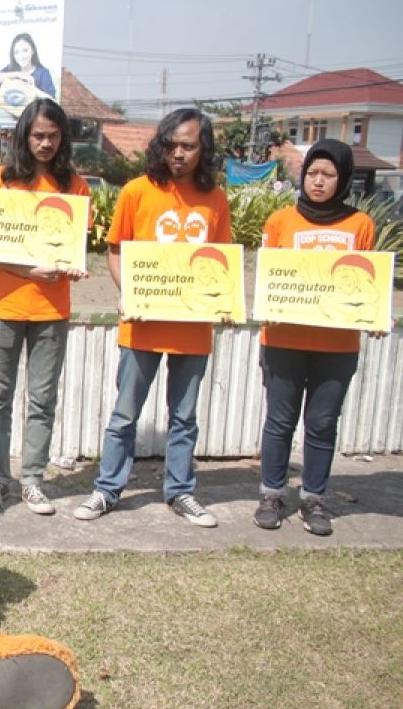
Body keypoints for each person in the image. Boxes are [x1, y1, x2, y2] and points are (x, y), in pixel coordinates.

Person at [75, 107, 231, 527]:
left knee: (184, 418)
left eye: (188, 146)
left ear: (204, 149)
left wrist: (227, 302)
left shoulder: (216, 199)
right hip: (141, 325)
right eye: (171, 144)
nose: (178, 154)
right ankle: (107, 490)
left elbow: (222, 262)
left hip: (193, 331)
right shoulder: (136, 191)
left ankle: (180, 492)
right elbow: (115, 250)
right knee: (124, 416)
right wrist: (127, 292)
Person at [254, 139, 380, 536]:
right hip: (283, 339)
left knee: (323, 424)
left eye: (328, 174)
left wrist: (372, 313)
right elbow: (268, 277)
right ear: (302, 175)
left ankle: (313, 499)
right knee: (279, 421)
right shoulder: (280, 221)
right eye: (312, 173)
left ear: (343, 178)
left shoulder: (360, 225)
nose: (319, 182)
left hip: (337, 346)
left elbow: (367, 282)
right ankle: (271, 494)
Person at [0, 99, 89, 516]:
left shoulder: (75, 187)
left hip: (51, 311)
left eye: (53, 136)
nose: (45, 143)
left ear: (63, 138)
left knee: (42, 399)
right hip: (2, 307)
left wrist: (72, 268)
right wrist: (28, 270)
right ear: (24, 135)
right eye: (38, 135)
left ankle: (33, 480)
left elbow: (74, 248)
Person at [0, 33, 56, 97]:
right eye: (16, 52)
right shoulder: (10, 69)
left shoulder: (42, 73)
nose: (21, 56)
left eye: (25, 50)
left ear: (32, 50)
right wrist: (17, 74)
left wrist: (32, 88)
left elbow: (51, 100)